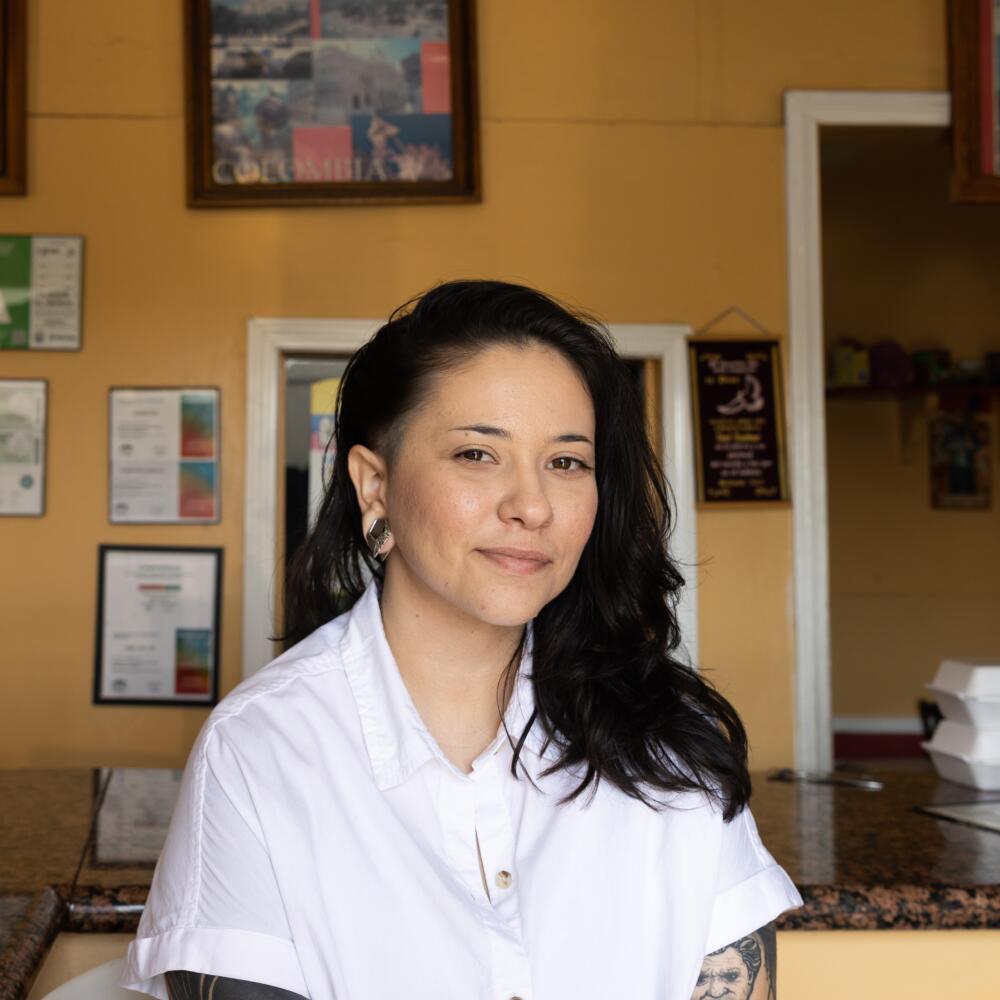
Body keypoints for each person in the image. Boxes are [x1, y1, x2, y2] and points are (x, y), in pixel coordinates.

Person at [121, 280, 803, 1000]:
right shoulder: (262, 750)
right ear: (374, 486)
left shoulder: (670, 746)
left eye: (566, 462)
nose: (532, 505)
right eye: (478, 454)